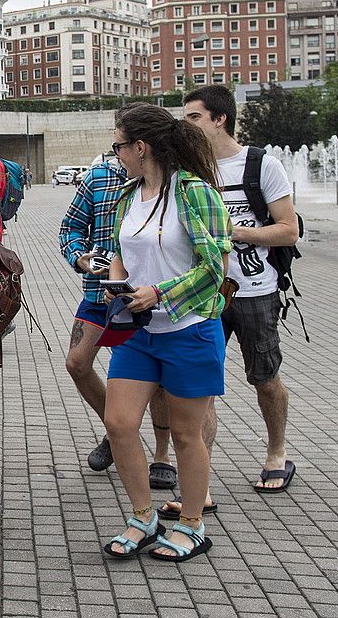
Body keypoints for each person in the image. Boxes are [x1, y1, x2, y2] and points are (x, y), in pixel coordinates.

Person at [100, 103, 231, 563]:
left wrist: (159, 292)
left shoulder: (194, 193)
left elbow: (216, 266)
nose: (115, 153)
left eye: (119, 145)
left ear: (140, 147)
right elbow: (119, 251)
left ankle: (192, 524)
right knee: (118, 423)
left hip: (190, 328)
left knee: (186, 434)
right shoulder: (125, 197)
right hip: (138, 331)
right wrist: (115, 283)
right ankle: (143, 517)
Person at [171, 85, 299, 501]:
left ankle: (276, 453)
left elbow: (288, 229)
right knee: (201, 386)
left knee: (264, 378)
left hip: (255, 289)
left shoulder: (262, 164)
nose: (185, 124)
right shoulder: (187, 169)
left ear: (219, 118)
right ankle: (199, 481)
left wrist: (233, 233)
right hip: (205, 294)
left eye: (193, 117)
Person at [57, 148, 130, 471]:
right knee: (77, 362)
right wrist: (80, 256)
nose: (119, 152)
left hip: (142, 297)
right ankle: (117, 433)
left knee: (149, 379)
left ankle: (160, 455)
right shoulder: (99, 178)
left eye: (122, 144)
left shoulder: (166, 180)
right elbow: (69, 228)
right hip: (97, 293)